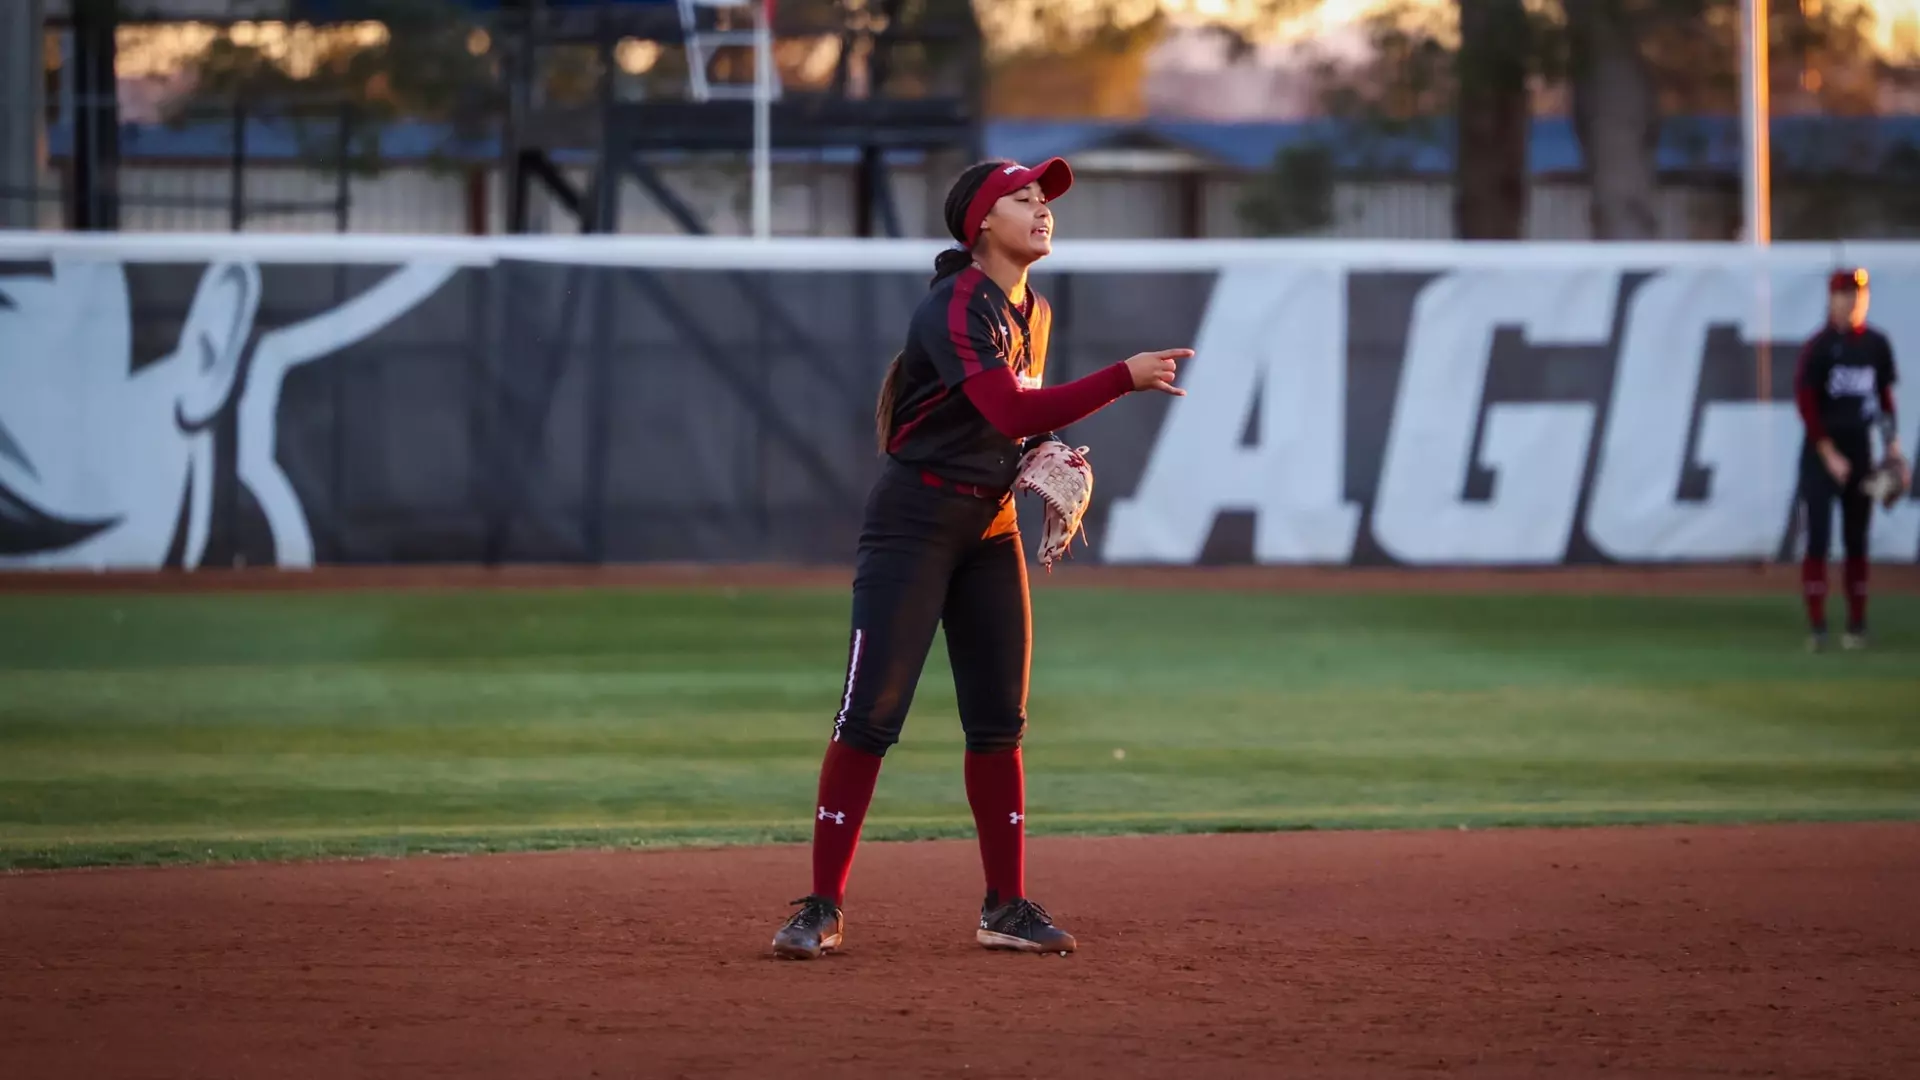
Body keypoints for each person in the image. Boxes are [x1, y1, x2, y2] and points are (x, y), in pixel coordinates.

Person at [769, 158, 1191, 960]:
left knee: (1000, 723)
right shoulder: (958, 303)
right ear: (981, 224)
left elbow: (1013, 425)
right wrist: (1122, 380)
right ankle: (820, 907)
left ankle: (1005, 907)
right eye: (1023, 198)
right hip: (914, 524)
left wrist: (1049, 459)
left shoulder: (1035, 309)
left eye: (1045, 200)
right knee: (870, 717)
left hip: (989, 529)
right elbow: (1006, 404)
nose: (1042, 210)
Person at [1795, 267, 1907, 650]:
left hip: (1860, 451)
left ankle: (1856, 625)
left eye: (1858, 294)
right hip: (1820, 454)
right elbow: (1807, 405)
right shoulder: (1820, 347)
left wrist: (1892, 448)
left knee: (1856, 539)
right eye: (1844, 294)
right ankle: (1818, 627)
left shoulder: (1876, 345)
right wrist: (1828, 453)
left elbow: (1885, 401)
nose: (1851, 300)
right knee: (1819, 539)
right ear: (1832, 299)